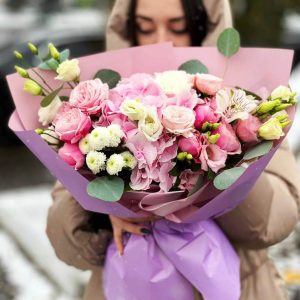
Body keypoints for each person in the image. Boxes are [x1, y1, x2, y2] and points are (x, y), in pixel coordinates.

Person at [46, 1, 300, 299]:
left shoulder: (244, 102)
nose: (160, 40)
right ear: (127, 29)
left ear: (204, 27)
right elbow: (65, 242)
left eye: (178, 27)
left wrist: (228, 159)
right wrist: (104, 210)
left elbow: (273, 223)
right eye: (144, 27)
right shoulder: (101, 114)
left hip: (243, 286)